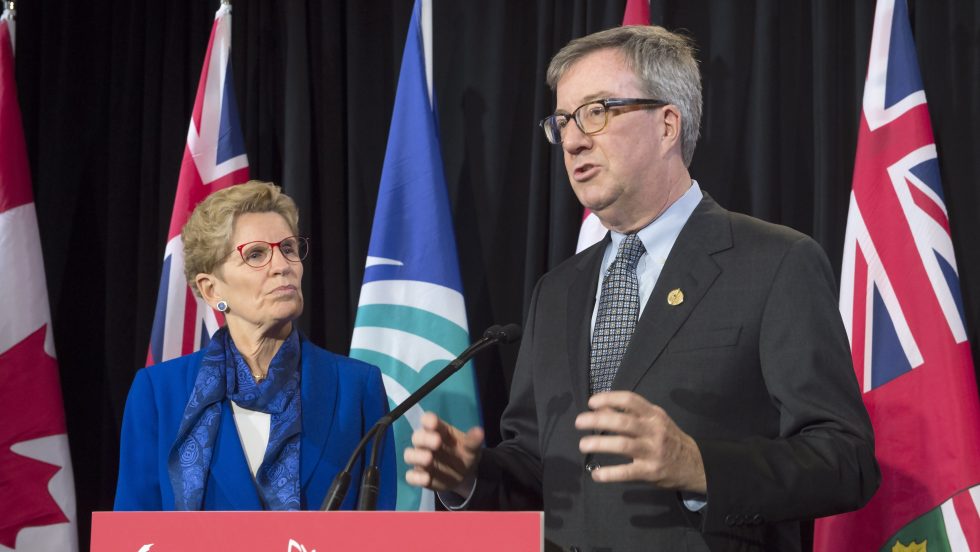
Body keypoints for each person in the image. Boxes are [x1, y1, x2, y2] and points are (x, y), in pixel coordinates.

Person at [403, 25, 878, 551]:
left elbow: (845, 460)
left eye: (597, 112)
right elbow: (541, 468)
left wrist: (699, 467)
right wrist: (471, 478)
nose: (574, 139)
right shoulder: (556, 292)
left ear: (667, 123)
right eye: (563, 122)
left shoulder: (775, 262)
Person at [115, 181, 395, 511]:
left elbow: (380, 529)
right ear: (211, 290)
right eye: (256, 254)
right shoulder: (159, 393)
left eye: (289, 248)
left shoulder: (356, 387)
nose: (283, 266)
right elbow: (133, 532)